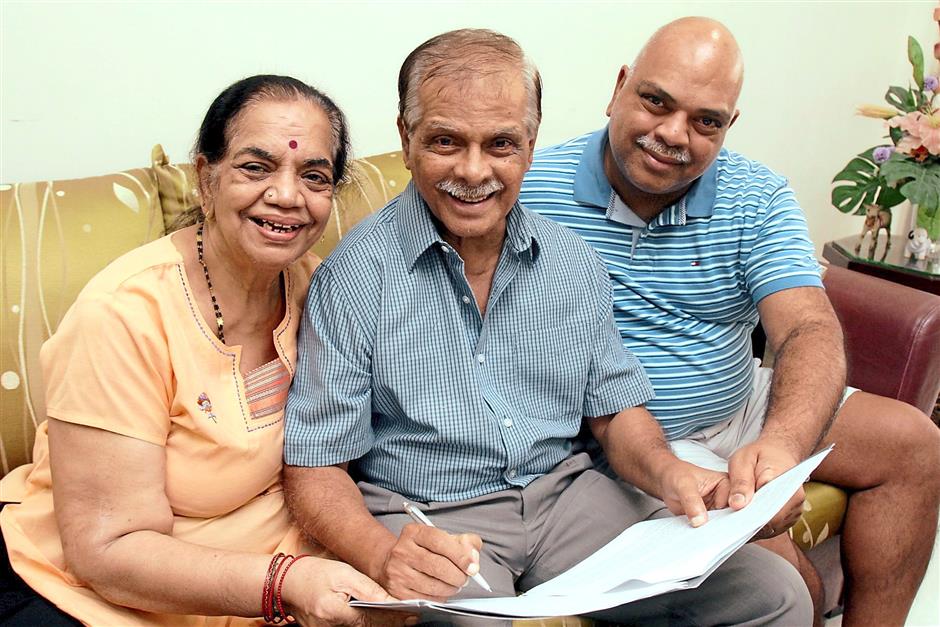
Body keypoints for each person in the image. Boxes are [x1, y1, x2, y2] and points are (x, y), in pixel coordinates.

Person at [283, 28, 812, 626]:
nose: (473, 170)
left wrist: (672, 473)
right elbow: (315, 465)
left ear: (531, 145)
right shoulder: (355, 276)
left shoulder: (571, 261)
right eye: (446, 141)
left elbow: (615, 412)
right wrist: (381, 552)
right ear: (406, 140)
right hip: (436, 514)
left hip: (569, 499)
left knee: (774, 593)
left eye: (502, 143)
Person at [519, 17, 940, 627]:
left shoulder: (755, 195)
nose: (672, 134)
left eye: (705, 121)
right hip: (635, 438)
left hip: (742, 402)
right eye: (655, 101)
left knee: (916, 444)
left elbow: (806, 329)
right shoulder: (530, 189)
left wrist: (781, 446)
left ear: (728, 126)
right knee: (791, 586)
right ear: (618, 88)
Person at [0, 75, 404, 626]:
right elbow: (109, 552)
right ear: (205, 178)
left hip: (279, 583)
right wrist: (288, 584)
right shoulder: (124, 315)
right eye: (255, 167)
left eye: (313, 176)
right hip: (93, 593)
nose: (287, 195)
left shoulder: (325, 292)